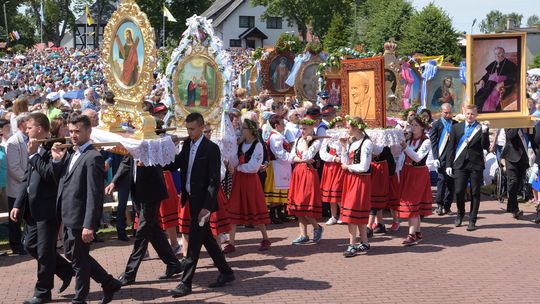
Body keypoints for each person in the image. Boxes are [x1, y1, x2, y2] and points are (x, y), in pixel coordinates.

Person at [51, 114, 121, 304]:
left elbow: (94, 194)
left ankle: (80, 298)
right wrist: (57, 160)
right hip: (67, 214)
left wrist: (89, 224)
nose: (73, 135)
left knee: (79, 261)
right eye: (71, 131)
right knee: (73, 255)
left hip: (80, 217)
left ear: (89, 131)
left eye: (77, 131)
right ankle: (109, 282)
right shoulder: (72, 153)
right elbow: (62, 180)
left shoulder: (93, 157)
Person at [168, 113, 234, 298]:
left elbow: (214, 181)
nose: (189, 133)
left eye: (192, 129)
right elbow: (175, 165)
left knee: (194, 243)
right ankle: (226, 272)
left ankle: (185, 283)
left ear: (202, 127)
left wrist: (207, 206)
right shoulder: (188, 145)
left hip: (203, 202)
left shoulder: (211, 148)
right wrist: (162, 152)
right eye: (188, 129)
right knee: (207, 239)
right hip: (190, 199)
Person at [10, 113, 73, 304]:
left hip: (48, 209)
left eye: (29, 128)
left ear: (39, 128)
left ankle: (43, 292)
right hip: (32, 209)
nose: (26, 131)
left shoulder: (52, 147)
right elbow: (26, 178)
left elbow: (50, 175)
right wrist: (18, 203)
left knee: (45, 252)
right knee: (30, 245)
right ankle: (65, 269)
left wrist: (33, 154)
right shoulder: (33, 148)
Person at [106, 155, 184, 285]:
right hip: (137, 193)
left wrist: (149, 159)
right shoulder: (133, 142)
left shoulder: (152, 143)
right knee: (154, 231)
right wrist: (114, 182)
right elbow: (126, 163)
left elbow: (164, 161)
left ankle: (129, 274)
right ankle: (173, 264)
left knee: (142, 233)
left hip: (152, 193)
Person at [225, 118, 272, 252]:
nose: (241, 130)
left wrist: (237, 168)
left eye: (244, 128)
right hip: (238, 180)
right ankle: (231, 243)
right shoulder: (240, 144)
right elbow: (234, 160)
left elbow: (254, 167)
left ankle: (265, 238)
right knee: (233, 208)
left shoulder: (257, 145)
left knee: (255, 208)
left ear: (250, 130)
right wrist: (231, 164)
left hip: (251, 180)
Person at [446, 105, 490, 231]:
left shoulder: (480, 128)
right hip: (460, 164)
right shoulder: (456, 127)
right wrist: (449, 165)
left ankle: (472, 219)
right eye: (468, 114)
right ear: (464, 114)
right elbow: (451, 148)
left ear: (476, 115)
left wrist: (485, 132)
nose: (470, 116)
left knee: (475, 192)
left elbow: (485, 146)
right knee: (459, 191)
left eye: (472, 114)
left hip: (475, 164)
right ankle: (460, 213)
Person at [339, 117, 373, 256]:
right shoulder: (353, 142)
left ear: (357, 127)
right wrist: (343, 147)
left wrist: (348, 167)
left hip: (360, 180)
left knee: (353, 212)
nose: (347, 129)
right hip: (351, 179)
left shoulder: (367, 143)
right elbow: (344, 162)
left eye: (349, 127)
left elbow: (364, 166)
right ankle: (364, 242)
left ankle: (352, 244)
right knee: (355, 211)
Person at [397, 116, 433, 246]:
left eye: (416, 125)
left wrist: (405, 146)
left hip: (418, 174)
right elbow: (399, 155)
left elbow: (417, 158)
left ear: (422, 127)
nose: (413, 127)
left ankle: (411, 234)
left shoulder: (426, 141)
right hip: (407, 172)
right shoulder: (409, 139)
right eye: (411, 124)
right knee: (412, 204)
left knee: (411, 203)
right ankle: (417, 233)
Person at [288, 118, 324, 244]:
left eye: (305, 128)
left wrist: (306, 145)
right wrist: (301, 159)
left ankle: (317, 227)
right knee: (298, 205)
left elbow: (307, 156)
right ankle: (303, 234)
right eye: (301, 128)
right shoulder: (298, 140)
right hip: (298, 172)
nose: (302, 131)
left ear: (311, 129)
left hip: (308, 173)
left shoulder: (315, 142)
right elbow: (291, 157)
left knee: (304, 202)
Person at [6, 113, 30, 255]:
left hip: (30, 188)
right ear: (22, 124)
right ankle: (16, 246)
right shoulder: (13, 142)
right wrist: (29, 181)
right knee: (15, 220)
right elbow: (14, 168)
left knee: (29, 218)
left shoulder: (33, 139)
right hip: (17, 188)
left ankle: (27, 242)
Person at [264, 115, 292, 224]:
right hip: (277, 165)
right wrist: (290, 158)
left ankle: (280, 213)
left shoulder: (278, 135)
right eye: (282, 124)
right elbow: (279, 153)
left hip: (281, 165)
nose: (284, 125)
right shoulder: (276, 137)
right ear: (276, 125)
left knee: (282, 189)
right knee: (277, 189)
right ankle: (273, 214)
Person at [429, 103, 456, 215]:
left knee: (451, 182)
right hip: (441, 157)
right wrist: (435, 157)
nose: (448, 114)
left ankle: (447, 206)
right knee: (441, 181)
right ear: (441, 112)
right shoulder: (436, 124)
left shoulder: (455, 124)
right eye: (446, 112)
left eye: (449, 112)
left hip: (453, 158)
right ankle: (439, 205)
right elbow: (433, 142)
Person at [474, 47, 517, 112]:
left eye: (499, 53)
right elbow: (487, 75)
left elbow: (513, 78)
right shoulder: (493, 63)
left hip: (500, 87)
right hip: (488, 86)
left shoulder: (510, 65)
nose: (497, 55)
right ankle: (478, 113)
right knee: (478, 96)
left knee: (491, 97)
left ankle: (489, 114)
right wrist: (482, 80)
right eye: (495, 54)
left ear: (503, 54)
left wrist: (503, 83)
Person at [320, 116, 346, 225]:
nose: (339, 127)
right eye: (337, 126)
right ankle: (333, 216)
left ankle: (343, 214)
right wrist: (333, 158)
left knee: (337, 191)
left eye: (341, 125)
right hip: (330, 167)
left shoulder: (345, 138)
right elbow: (322, 153)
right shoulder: (328, 138)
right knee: (331, 193)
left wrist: (341, 158)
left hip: (339, 168)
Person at [501, 128, 529, 219]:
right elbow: (510, 135)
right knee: (513, 181)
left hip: (524, 157)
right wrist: (519, 124)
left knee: (519, 184)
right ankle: (515, 209)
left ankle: (510, 204)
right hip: (512, 156)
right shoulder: (511, 121)